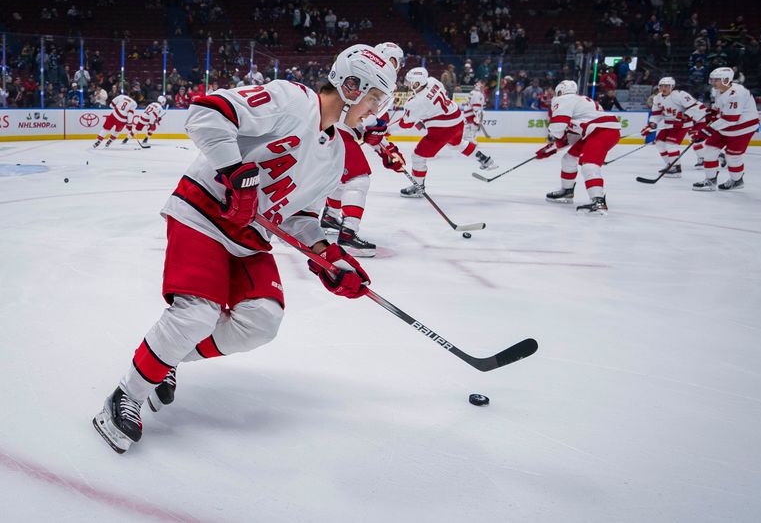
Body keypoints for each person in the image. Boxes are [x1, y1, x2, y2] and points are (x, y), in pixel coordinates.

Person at [92, 45, 397, 454]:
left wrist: (329, 255)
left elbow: (299, 216)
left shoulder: (336, 153)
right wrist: (236, 173)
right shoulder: (292, 101)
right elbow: (207, 113)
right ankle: (125, 395)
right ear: (352, 86)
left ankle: (165, 361)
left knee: (261, 321)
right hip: (204, 212)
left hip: (249, 238)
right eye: (374, 97)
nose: (375, 110)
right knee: (197, 313)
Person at [320, 42, 406, 257]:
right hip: (337, 131)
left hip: (336, 130)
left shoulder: (380, 83)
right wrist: (382, 144)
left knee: (341, 177)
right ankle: (348, 236)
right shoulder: (370, 79)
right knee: (357, 179)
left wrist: (385, 147)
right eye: (393, 61)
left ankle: (330, 216)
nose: (395, 66)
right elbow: (365, 123)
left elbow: (367, 126)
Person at [393, 67, 498, 197]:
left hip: (442, 128)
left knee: (418, 156)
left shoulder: (415, 102)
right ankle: (485, 159)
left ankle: (418, 187)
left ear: (417, 83)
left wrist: (386, 129)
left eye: (409, 82)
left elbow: (405, 124)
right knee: (457, 144)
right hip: (457, 118)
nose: (407, 85)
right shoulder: (433, 81)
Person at [536, 80, 621, 215]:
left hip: (601, 131)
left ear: (560, 91)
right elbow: (572, 138)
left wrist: (554, 140)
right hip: (595, 132)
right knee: (569, 159)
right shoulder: (579, 104)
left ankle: (598, 200)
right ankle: (567, 191)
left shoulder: (564, 99)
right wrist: (551, 149)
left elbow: (558, 127)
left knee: (589, 165)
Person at [691, 67, 759, 191]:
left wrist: (707, 130)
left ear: (726, 80)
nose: (713, 82)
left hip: (742, 128)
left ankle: (737, 180)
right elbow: (717, 108)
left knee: (732, 157)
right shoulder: (717, 90)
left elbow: (731, 119)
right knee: (710, 150)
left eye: (716, 80)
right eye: (712, 79)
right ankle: (710, 181)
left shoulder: (737, 94)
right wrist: (710, 115)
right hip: (724, 126)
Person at [640, 77, 707, 178]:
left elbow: (694, 107)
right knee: (659, 143)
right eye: (661, 86)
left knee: (671, 144)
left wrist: (684, 117)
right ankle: (670, 164)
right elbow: (656, 114)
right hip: (668, 124)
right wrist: (651, 124)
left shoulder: (680, 95)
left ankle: (676, 168)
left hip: (683, 124)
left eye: (666, 86)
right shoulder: (657, 98)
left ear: (672, 87)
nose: (663, 88)